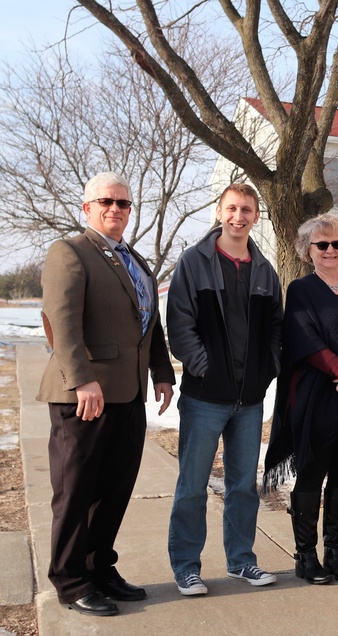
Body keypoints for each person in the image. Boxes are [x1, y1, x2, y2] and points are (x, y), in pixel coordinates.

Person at [37, 172, 175, 617]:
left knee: (114, 489)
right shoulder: (70, 252)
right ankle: (71, 580)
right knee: (76, 492)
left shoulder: (135, 260)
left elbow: (150, 325)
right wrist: (81, 378)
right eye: (106, 202)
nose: (115, 209)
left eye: (123, 203)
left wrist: (161, 372)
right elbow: (62, 322)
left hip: (128, 394)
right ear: (87, 208)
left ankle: (99, 568)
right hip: (85, 396)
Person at [167, 183, 283, 595]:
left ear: (256, 215)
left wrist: (265, 372)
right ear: (219, 211)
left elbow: (274, 331)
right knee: (193, 485)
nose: (239, 216)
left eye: (247, 209)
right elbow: (180, 325)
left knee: (242, 486)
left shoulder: (265, 271)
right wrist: (204, 368)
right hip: (204, 397)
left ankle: (241, 561)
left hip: (249, 400)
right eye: (232, 208)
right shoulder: (193, 262)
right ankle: (186, 567)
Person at [262, 213, 338, 584]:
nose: (330, 250)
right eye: (322, 244)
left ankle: (336, 553)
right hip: (317, 397)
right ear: (307, 250)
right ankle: (305, 556)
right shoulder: (301, 289)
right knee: (312, 474)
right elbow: (306, 340)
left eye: (337, 244)